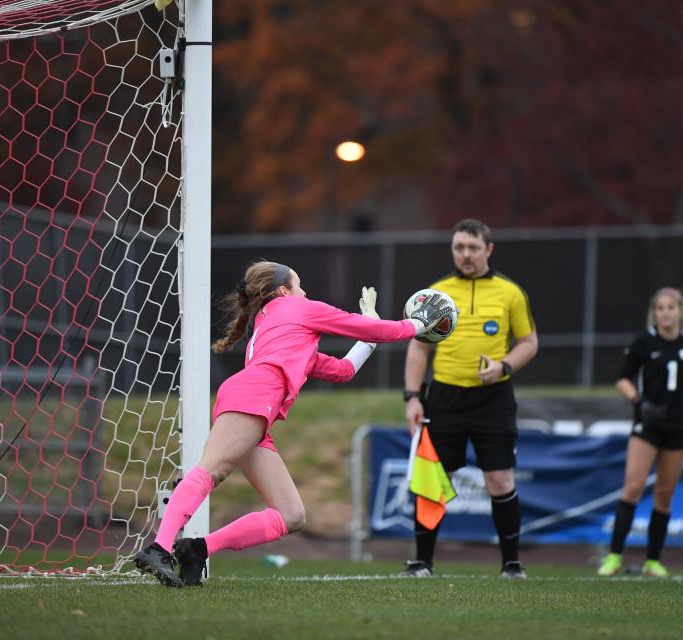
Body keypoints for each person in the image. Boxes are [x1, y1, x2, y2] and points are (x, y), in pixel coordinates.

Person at [133, 260, 452, 587]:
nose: (305, 292)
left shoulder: (276, 324)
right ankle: (158, 547)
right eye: (299, 285)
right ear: (284, 291)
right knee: (211, 469)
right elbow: (364, 327)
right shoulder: (296, 307)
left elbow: (344, 370)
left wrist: (369, 338)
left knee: (291, 515)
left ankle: (197, 550)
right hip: (254, 397)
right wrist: (414, 325)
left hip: (254, 403)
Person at [399, 219, 538, 579]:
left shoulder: (510, 293)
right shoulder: (437, 293)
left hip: (494, 399)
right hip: (444, 397)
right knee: (433, 481)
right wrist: (412, 397)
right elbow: (418, 346)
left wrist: (504, 366)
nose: (466, 254)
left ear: (488, 250)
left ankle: (512, 565)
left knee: (500, 482)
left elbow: (529, 343)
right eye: (459, 247)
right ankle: (422, 564)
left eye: (473, 248)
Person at [598, 287, 683, 577]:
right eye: (660, 308)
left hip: (679, 426)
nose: (665, 313)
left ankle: (652, 561)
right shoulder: (644, 342)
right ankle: (614, 557)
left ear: (681, 311)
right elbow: (622, 378)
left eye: (671, 308)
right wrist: (639, 402)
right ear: (654, 312)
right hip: (648, 424)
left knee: (665, 494)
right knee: (633, 487)